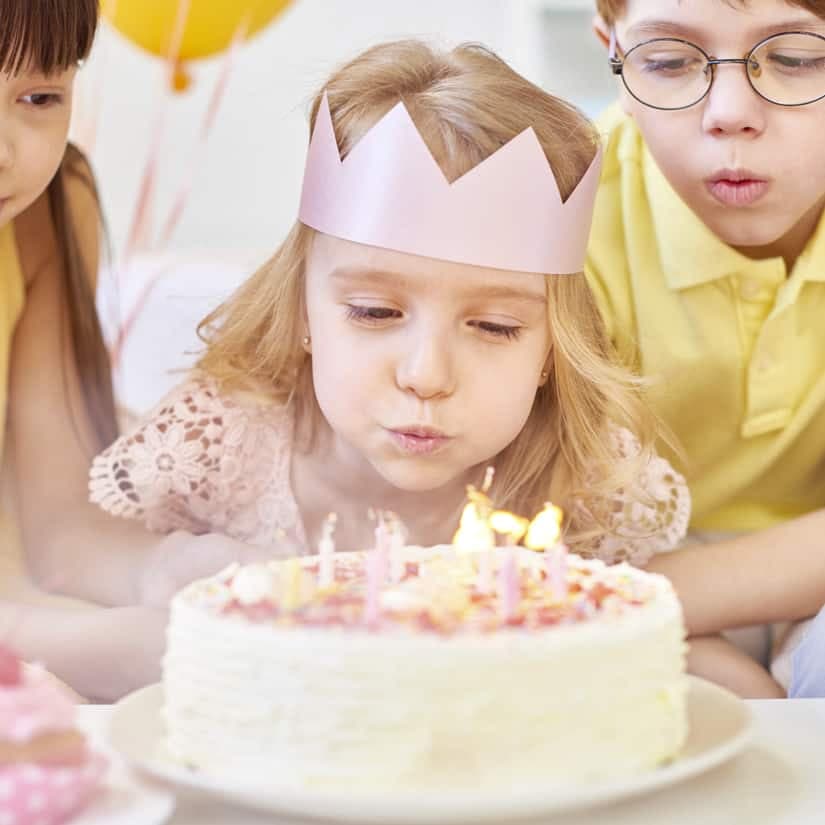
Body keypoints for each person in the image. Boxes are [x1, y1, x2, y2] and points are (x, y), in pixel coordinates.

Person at [90, 40, 690, 614]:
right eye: (376, 313)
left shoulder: (589, 481)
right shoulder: (219, 444)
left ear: (552, 350)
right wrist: (160, 568)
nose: (426, 375)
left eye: (493, 325)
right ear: (301, 310)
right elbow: (82, 558)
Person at [0, 0, 273, 701]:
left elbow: (57, 523)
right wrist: (68, 641)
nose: (6, 150)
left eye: (38, 96)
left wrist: (168, 570)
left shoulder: (47, 210)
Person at [587, 0, 825, 696]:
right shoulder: (559, 218)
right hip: (616, 590)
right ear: (612, 52)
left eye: (794, 59)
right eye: (665, 62)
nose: (728, 112)